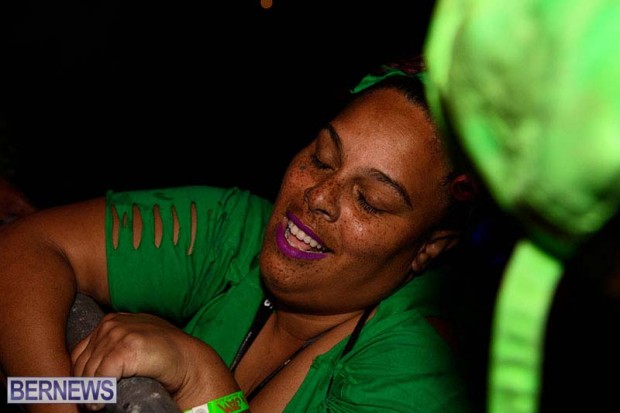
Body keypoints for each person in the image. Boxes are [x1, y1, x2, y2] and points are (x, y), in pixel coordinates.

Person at [0, 59, 478, 413]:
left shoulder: (424, 372)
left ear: (429, 247)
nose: (318, 195)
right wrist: (58, 400)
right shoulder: (238, 233)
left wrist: (200, 379)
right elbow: (23, 249)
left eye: (369, 200)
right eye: (322, 158)